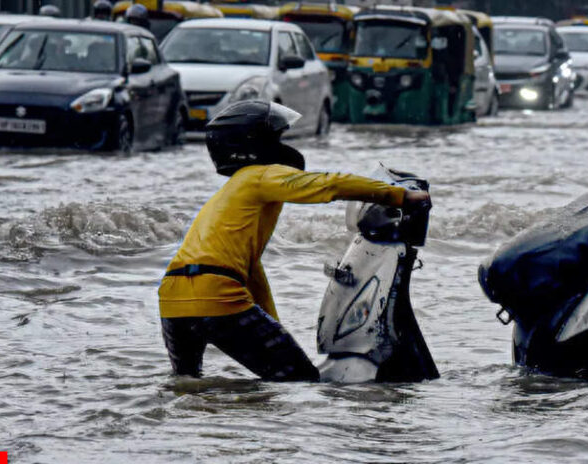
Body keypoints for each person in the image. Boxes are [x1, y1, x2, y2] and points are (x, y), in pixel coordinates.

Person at [158, 101, 430, 381]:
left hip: (172, 299)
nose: (284, 145)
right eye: (278, 137)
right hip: (216, 295)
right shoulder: (260, 175)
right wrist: (398, 195)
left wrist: (274, 326)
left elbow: (250, 270)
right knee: (300, 380)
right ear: (260, 143)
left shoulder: (229, 193)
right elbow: (328, 184)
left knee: (188, 385)